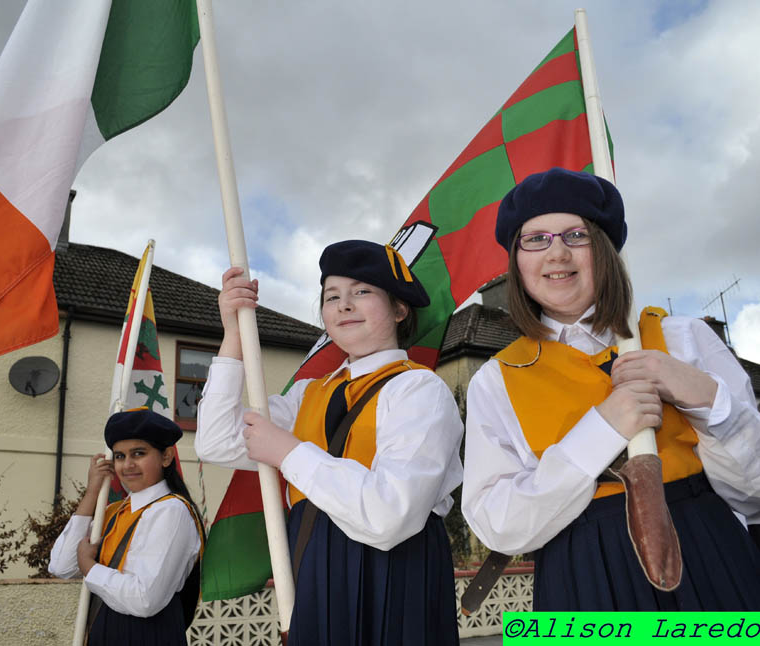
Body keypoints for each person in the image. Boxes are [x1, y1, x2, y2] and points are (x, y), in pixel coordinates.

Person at [461, 167, 760, 610]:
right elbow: (498, 526)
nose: (556, 253)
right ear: (517, 263)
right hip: (577, 574)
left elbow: (751, 495)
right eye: (536, 238)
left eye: (576, 235)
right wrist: (601, 430)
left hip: (707, 554)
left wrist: (709, 400)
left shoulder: (683, 337)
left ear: (604, 249)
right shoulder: (496, 378)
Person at [195, 240, 464, 645]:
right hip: (314, 559)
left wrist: (288, 452)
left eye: (362, 291)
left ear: (399, 308)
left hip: (394, 568)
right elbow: (216, 440)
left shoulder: (419, 389)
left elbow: (390, 515)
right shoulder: (308, 395)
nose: (344, 305)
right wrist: (233, 334)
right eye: (332, 296)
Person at [49, 408, 205, 645]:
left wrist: (90, 567)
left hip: (149, 635)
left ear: (166, 457)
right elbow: (61, 565)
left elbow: (145, 600)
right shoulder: (114, 512)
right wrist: (92, 491)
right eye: (120, 456)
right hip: (107, 630)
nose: (127, 464)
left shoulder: (172, 510)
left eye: (138, 453)